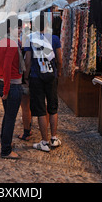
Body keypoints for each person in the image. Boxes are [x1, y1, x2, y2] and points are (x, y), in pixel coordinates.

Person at [24, 12, 62, 152]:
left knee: (40, 109)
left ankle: (44, 142)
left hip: (36, 77)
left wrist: (26, 76)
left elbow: (28, 61)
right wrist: (59, 73)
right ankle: (54, 138)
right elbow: (59, 59)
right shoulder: (54, 39)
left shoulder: (30, 39)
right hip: (51, 76)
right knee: (53, 107)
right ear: (47, 26)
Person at [0, 15, 23, 159]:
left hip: (3, 82)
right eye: (18, 28)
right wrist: (6, 90)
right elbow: (6, 67)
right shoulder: (11, 44)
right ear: (11, 28)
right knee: (10, 118)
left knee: (8, 116)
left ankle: (6, 143)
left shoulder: (2, 42)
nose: (20, 30)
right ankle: (5, 150)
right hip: (11, 85)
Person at [18, 19, 32, 141]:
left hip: (29, 77)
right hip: (43, 78)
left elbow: (27, 61)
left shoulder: (28, 42)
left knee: (25, 106)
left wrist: (25, 77)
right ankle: (47, 136)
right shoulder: (49, 40)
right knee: (43, 105)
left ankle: (27, 132)